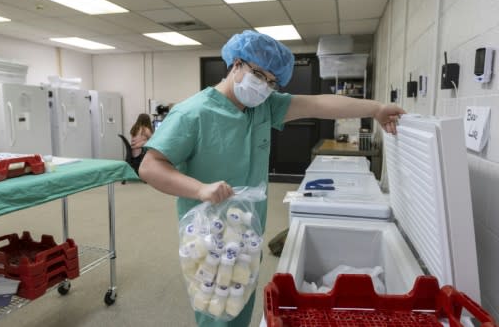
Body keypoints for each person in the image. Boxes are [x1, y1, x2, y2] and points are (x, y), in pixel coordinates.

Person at [139, 30, 406, 327]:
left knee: (241, 303)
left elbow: (319, 105)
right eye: (259, 75)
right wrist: (200, 188)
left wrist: (376, 109)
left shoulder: (263, 107)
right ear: (236, 64)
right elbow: (150, 167)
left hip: (249, 232)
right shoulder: (192, 113)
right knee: (216, 313)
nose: (264, 87)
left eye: (271, 82)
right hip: (208, 237)